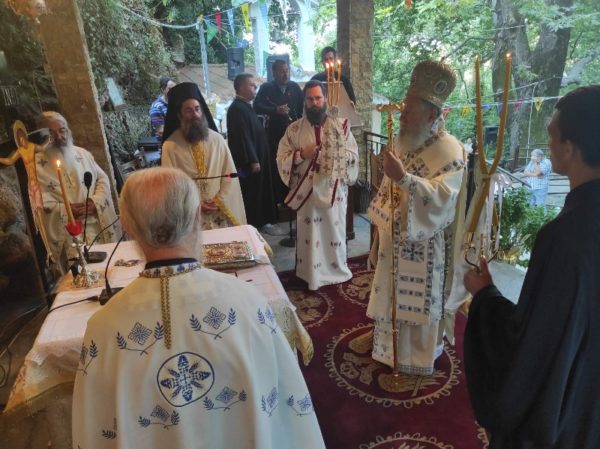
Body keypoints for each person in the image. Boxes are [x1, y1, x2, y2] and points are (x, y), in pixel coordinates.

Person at [72, 167, 326, 449]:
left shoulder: (103, 329)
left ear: (127, 227)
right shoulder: (249, 303)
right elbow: (289, 409)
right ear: (197, 217)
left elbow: (94, 429)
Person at [463, 85, 600, 449]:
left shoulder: (564, 239)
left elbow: (531, 347)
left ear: (570, 148)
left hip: (567, 417)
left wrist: (485, 296)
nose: (548, 143)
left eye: (552, 135)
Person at [367, 60, 466, 375]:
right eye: (403, 108)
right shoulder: (404, 139)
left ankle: (417, 357)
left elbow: (443, 198)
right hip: (392, 238)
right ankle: (387, 349)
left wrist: (404, 179)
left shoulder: (450, 151)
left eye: (409, 110)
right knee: (390, 293)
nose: (402, 116)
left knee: (416, 300)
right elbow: (388, 186)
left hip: (422, 245)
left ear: (432, 115)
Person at [277, 80, 358, 291]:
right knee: (310, 233)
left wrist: (336, 155)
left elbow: (353, 154)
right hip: (308, 193)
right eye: (310, 99)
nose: (314, 103)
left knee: (334, 230)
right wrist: (302, 154)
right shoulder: (294, 129)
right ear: (304, 101)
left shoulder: (342, 126)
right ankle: (310, 274)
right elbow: (281, 158)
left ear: (325, 99)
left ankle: (336, 270)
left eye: (318, 98)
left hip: (333, 191)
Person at [34, 111, 120, 273]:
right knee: (80, 276)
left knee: (110, 270)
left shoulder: (82, 154)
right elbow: (37, 201)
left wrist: (95, 202)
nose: (59, 137)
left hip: (97, 226)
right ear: (42, 135)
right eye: (51, 133)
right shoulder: (35, 166)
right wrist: (65, 210)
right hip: (68, 235)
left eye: (62, 130)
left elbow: (102, 179)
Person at [162, 82, 246, 229]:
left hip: (220, 212)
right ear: (179, 115)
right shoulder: (170, 146)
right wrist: (195, 205)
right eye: (188, 111)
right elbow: (170, 186)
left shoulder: (217, 140)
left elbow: (230, 175)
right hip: (191, 216)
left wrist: (219, 200)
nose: (195, 114)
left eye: (197, 109)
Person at [226, 73, 281, 232]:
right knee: (254, 192)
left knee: (261, 190)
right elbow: (242, 136)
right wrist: (252, 160)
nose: (255, 87)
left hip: (258, 156)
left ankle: (263, 222)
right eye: (251, 85)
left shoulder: (244, 106)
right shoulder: (237, 109)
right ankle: (256, 224)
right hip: (251, 161)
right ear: (241, 87)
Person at [254, 59, 304, 205]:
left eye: (287, 71)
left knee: (294, 165)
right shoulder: (266, 88)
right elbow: (257, 106)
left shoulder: (294, 87)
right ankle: (279, 199)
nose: (285, 74)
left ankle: (295, 196)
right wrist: (275, 110)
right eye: (282, 71)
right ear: (274, 73)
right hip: (275, 136)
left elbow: (302, 107)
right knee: (278, 166)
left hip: (294, 135)